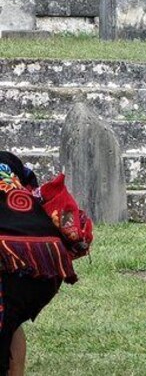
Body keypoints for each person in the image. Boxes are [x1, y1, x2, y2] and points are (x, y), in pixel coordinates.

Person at [0, 151, 77, 376]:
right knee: (10, 322)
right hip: (48, 258)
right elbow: (36, 192)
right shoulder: (7, 160)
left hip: (9, 253)